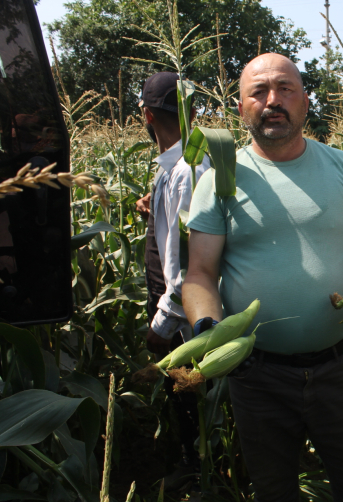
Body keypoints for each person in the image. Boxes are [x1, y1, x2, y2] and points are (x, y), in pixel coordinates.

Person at [182, 53, 343, 501]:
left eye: (285, 89)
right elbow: (201, 273)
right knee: (272, 490)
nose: (272, 101)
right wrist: (209, 332)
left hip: (340, 366)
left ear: (305, 101)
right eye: (258, 92)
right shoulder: (220, 180)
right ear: (241, 107)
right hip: (257, 373)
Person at [134, 71, 210, 488]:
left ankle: (198, 472)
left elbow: (190, 266)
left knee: (191, 396)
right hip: (172, 305)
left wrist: (163, 323)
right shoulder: (173, 169)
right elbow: (176, 228)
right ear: (191, 111)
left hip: (180, 313)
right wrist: (153, 203)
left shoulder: (188, 169)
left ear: (146, 115)